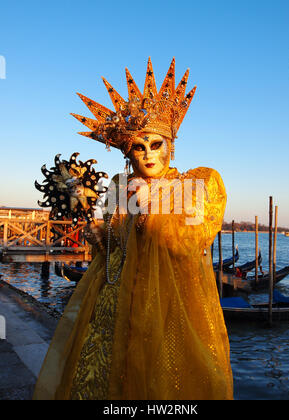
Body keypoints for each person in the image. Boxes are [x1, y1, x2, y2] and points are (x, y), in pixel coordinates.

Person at [33, 58, 233, 400]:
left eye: (155, 144)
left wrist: (155, 202)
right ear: (128, 153)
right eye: (139, 147)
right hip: (112, 302)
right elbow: (112, 248)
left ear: (170, 144)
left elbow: (190, 241)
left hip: (168, 304)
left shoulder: (195, 183)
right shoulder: (117, 186)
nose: (148, 155)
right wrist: (97, 232)